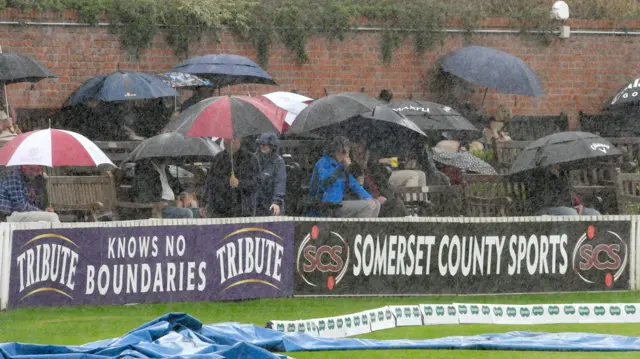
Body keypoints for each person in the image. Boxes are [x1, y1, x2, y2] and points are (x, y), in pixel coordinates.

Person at [307, 136, 380, 218]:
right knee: (367, 206)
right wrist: (341, 169)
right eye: (347, 148)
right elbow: (325, 183)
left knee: (376, 204)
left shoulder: (341, 166)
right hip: (325, 206)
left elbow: (355, 185)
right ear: (341, 150)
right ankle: (361, 229)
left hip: (336, 204)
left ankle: (369, 229)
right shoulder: (323, 163)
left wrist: (368, 197)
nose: (349, 150)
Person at [203, 138, 259, 218]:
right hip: (220, 211)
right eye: (226, 139)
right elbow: (210, 182)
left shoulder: (250, 159)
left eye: (233, 138)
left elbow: (256, 183)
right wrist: (205, 203)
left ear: (239, 140)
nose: (230, 142)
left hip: (244, 211)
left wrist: (239, 183)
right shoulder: (218, 159)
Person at [350, 140, 408, 217]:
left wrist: (381, 163)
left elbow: (383, 183)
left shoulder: (374, 165)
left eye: (362, 155)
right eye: (357, 153)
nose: (361, 158)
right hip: (369, 198)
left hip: (381, 194)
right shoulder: (352, 169)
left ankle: (408, 220)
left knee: (396, 202)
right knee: (395, 205)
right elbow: (355, 190)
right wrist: (373, 197)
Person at [132, 159, 202, 219]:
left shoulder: (163, 167)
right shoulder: (144, 170)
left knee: (199, 212)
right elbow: (146, 197)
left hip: (173, 205)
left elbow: (176, 186)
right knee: (187, 213)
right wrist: (170, 203)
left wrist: (184, 196)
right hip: (159, 209)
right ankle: (185, 235)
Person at [526, 164, 600, 216]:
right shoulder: (540, 177)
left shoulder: (562, 175)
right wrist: (569, 206)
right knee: (571, 213)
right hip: (547, 208)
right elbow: (547, 200)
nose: (559, 165)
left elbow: (570, 195)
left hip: (566, 207)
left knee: (594, 214)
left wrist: (578, 205)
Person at [255, 133, 287, 216]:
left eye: (264, 144)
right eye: (260, 144)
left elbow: (280, 183)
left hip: (272, 204)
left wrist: (276, 201)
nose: (262, 146)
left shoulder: (278, 162)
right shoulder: (254, 159)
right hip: (256, 205)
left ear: (272, 146)